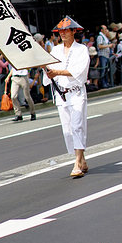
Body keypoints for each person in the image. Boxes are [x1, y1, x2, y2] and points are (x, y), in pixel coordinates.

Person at [42, 15, 90, 178]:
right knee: (68, 130)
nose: (62, 33)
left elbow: (79, 71)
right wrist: (46, 69)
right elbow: (49, 70)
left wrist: (57, 72)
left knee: (77, 126)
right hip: (61, 94)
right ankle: (81, 158)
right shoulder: (55, 50)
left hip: (76, 92)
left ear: (73, 31)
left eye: (66, 30)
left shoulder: (81, 49)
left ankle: (77, 163)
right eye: (60, 31)